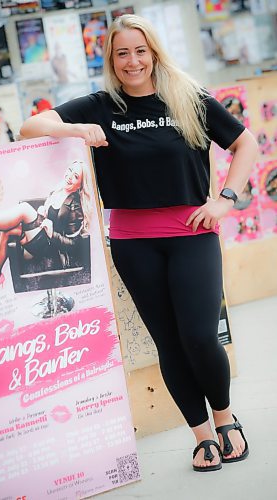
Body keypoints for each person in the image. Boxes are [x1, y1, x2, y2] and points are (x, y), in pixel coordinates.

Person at [19, 14, 258, 472]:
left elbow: (245, 145)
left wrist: (226, 199)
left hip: (192, 234)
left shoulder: (189, 99)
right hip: (132, 241)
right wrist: (76, 130)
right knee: (168, 343)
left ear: (154, 53)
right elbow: (32, 127)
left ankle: (225, 420)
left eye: (140, 51)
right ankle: (202, 435)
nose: (132, 61)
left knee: (200, 337)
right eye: (122, 52)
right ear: (111, 57)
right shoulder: (100, 105)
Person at [0, 160, 92, 297]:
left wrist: (51, 233)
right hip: (42, 240)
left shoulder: (75, 206)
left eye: (76, 176)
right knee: (8, 232)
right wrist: (44, 210)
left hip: (53, 249)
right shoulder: (58, 191)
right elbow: (52, 216)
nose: (70, 176)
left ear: (80, 184)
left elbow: (75, 245)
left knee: (24, 209)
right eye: (70, 171)